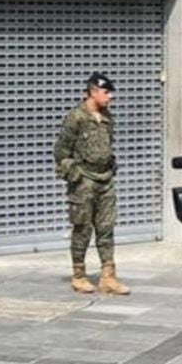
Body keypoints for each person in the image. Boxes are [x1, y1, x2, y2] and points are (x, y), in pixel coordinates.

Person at [53, 72, 130, 295]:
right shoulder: (76, 117)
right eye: (106, 92)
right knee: (82, 228)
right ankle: (79, 275)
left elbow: (108, 145)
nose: (110, 97)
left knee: (106, 228)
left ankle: (108, 276)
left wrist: (111, 166)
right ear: (93, 91)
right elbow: (61, 152)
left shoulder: (108, 117)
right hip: (84, 181)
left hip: (105, 179)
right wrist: (75, 175)